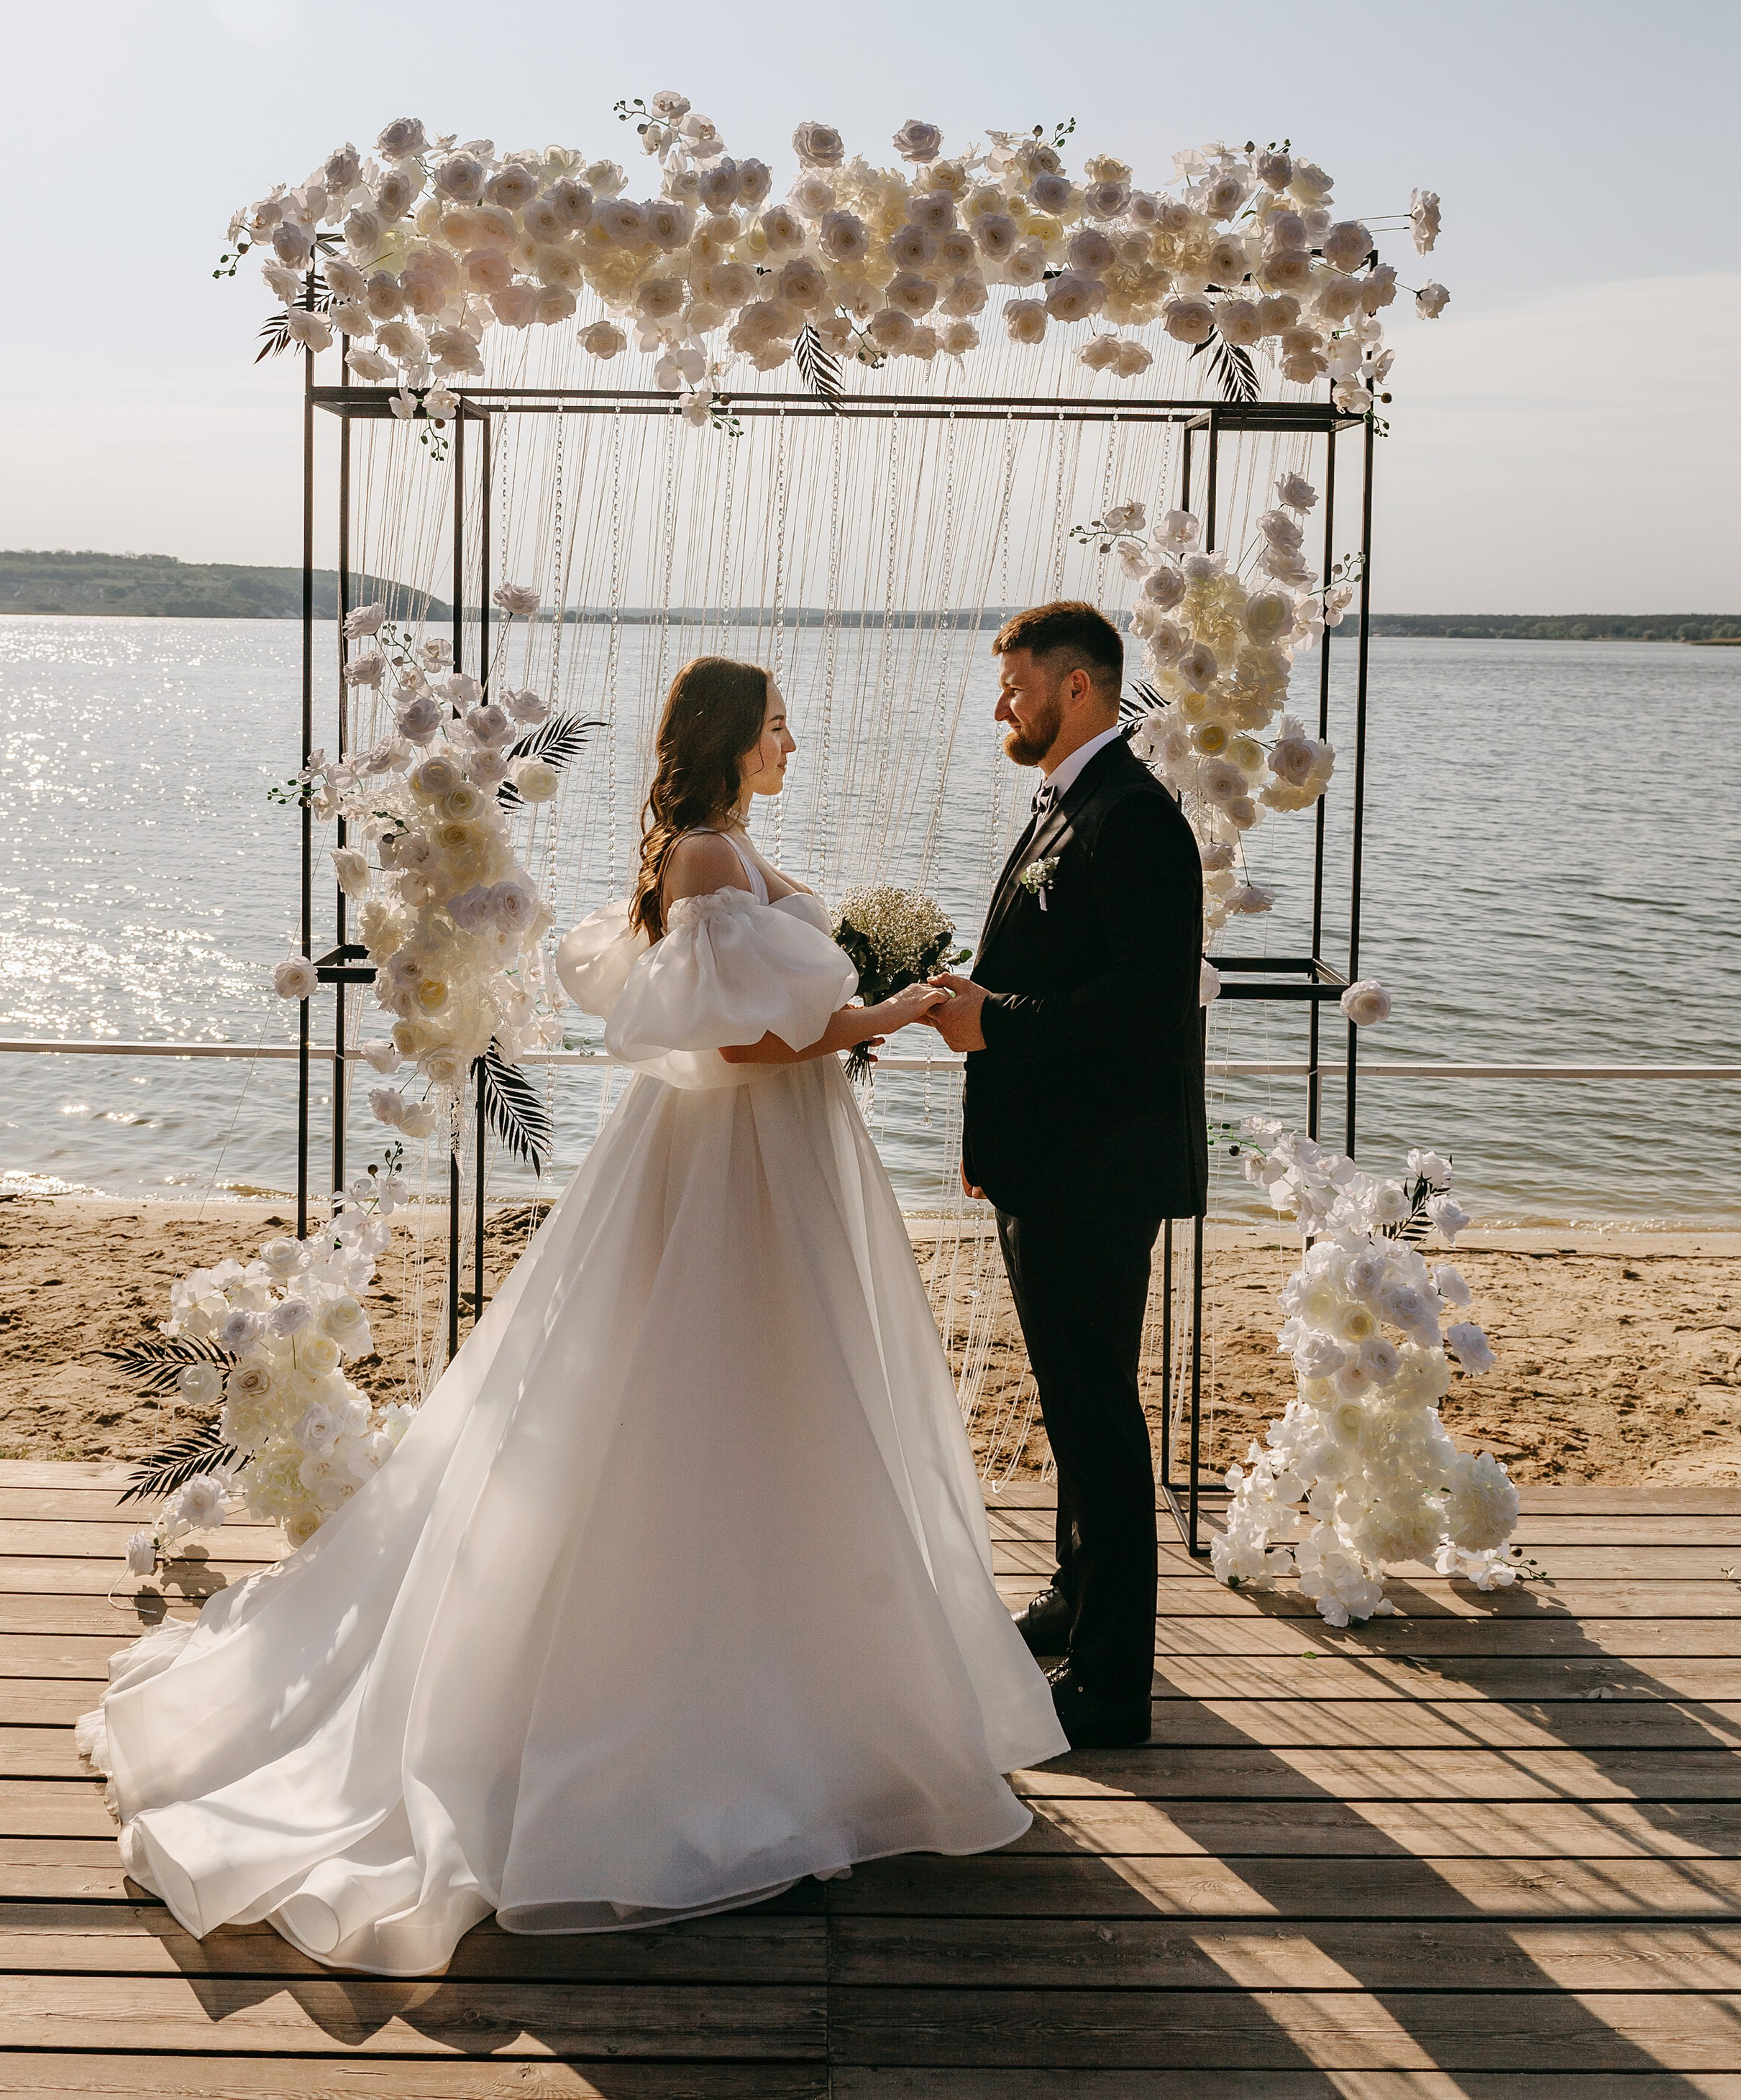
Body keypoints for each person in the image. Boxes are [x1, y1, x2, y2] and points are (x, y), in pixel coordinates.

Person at [78, 655, 1063, 1974]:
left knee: (779, 1415)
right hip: (731, 1171)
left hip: (770, 1167)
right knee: (705, 1407)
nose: (793, 742)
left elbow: (759, 1019)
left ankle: (803, 1705)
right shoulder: (707, 862)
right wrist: (886, 1008)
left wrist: (859, 1004)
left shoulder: (723, 851)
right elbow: (737, 1047)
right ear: (726, 739)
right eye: (775, 725)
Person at [928, 602, 1207, 1751]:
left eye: (1016, 686)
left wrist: (995, 1025)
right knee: (1069, 1396)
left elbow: (1143, 1010)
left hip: (1100, 1166)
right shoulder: (1067, 802)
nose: (1003, 704)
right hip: (1049, 1159)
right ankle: (1074, 1596)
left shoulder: (1133, 818)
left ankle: (1113, 1684)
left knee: (1096, 1413)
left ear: (1078, 688)